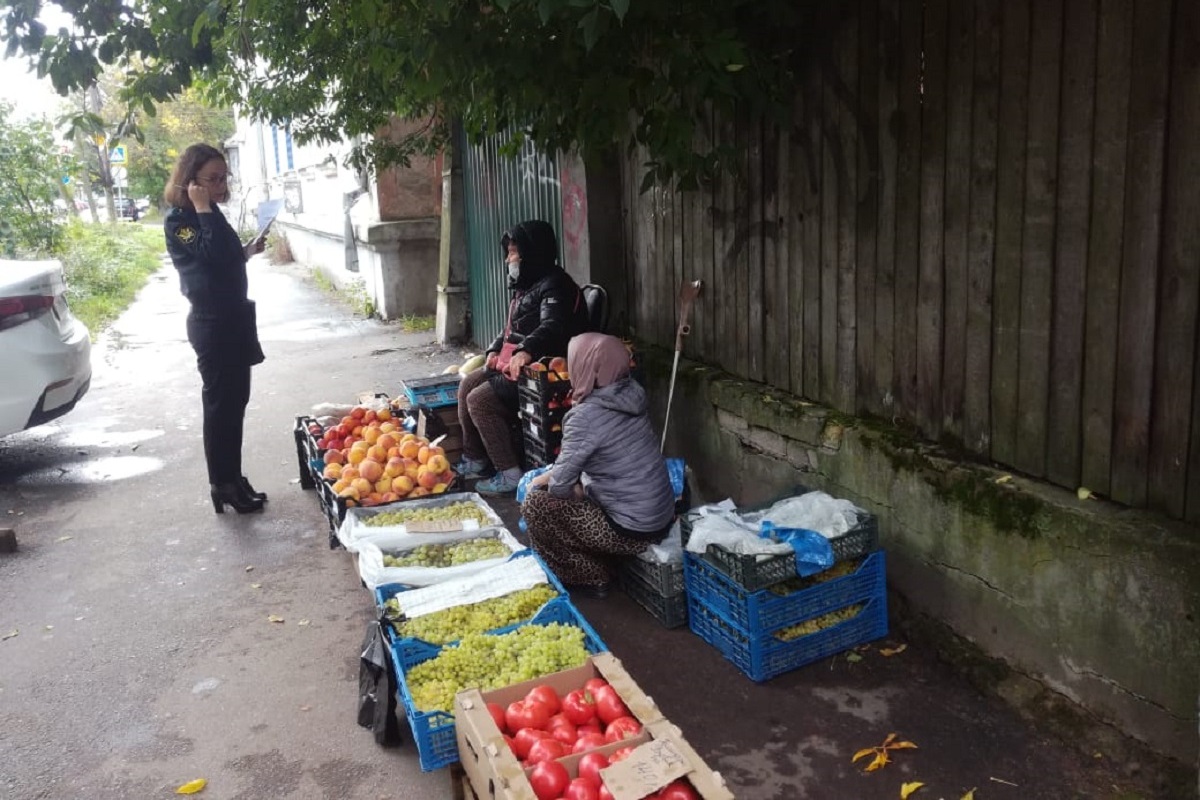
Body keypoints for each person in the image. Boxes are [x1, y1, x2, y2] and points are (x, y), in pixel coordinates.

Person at [522, 333, 676, 596]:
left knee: (535, 504)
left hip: (630, 531)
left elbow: (559, 487)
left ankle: (590, 575)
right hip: (660, 519)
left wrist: (551, 486)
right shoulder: (631, 395)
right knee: (561, 489)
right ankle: (600, 559)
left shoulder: (586, 416)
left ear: (586, 368)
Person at [163, 144, 268, 514]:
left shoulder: (212, 214)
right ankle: (221, 484)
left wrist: (247, 251)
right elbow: (207, 253)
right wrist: (204, 208)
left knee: (236, 404)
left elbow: (223, 257)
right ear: (191, 182)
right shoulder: (180, 221)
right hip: (212, 324)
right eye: (213, 178)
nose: (221, 184)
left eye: (224, 177)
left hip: (234, 319)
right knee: (220, 408)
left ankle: (234, 477)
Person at [458, 220, 588, 495]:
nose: (509, 259)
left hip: (546, 371)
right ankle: (476, 459)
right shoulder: (526, 284)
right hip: (517, 364)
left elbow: (552, 327)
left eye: (514, 252)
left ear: (532, 251)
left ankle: (508, 473)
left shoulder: (555, 285)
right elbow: (510, 328)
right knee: (467, 384)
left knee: (479, 401)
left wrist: (525, 350)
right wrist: (493, 349)